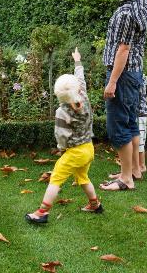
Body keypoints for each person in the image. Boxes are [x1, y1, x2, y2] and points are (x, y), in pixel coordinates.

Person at [99, 0, 147, 191]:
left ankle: (125, 179)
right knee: (131, 122)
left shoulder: (124, 14)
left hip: (122, 73)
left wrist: (111, 83)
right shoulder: (145, 0)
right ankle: (131, 171)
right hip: (136, 74)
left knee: (118, 126)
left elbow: (123, 50)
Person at [25, 47, 102, 224]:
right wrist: (77, 61)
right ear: (77, 89)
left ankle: (42, 212)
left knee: (56, 179)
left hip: (74, 152)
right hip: (88, 148)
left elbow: (61, 135)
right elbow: (81, 79)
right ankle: (95, 204)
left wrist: (61, 148)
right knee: (83, 177)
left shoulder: (62, 111)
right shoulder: (83, 97)